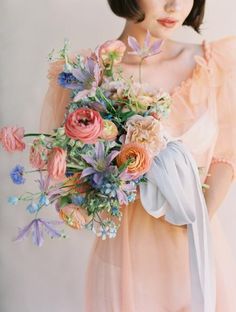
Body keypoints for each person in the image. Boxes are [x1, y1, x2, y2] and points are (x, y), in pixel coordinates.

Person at [39, 0, 236, 311]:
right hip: (129, 261)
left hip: (198, 248)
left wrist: (194, 216)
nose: (173, 6)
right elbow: (67, 179)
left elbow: (226, 154)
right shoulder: (88, 77)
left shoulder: (213, 62)